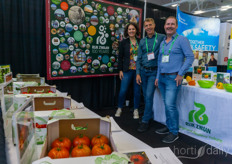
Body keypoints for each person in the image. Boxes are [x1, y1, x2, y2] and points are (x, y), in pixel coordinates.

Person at [155, 16, 194, 143]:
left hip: (173, 78)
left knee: (171, 106)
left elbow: (190, 57)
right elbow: (160, 61)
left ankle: (174, 132)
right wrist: (157, 77)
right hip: (162, 78)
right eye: (167, 24)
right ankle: (169, 126)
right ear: (164, 26)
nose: (169, 26)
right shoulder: (163, 42)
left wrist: (181, 74)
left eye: (172, 24)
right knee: (167, 104)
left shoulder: (182, 40)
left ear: (176, 26)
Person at [136, 18, 165, 132]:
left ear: (154, 25)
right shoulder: (142, 41)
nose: (148, 27)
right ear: (144, 28)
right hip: (143, 72)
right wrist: (138, 73)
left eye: (150, 25)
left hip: (154, 72)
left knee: (148, 96)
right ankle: (149, 116)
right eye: (146, 26)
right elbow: (138, 59)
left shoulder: (161, 37)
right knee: (146, 97)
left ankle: (145, 121)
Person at [115, 23, 141, 119]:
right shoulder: (123, 42)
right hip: (127, 70)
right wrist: (120, 70)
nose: (131, 31)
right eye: (129, 29)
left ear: (136, 30)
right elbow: (120, 57)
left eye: (133, 29)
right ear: (127, 31)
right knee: (123, 91)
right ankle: (120, 108)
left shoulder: (140, 41)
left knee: (137, 91)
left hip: (138, 71)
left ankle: (136, 109)